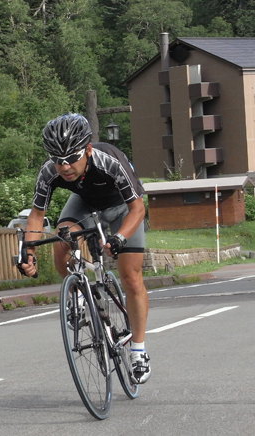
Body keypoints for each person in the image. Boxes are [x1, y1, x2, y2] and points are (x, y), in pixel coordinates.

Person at [19, 113, 151, 384]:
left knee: (131, 278)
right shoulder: (49, 171)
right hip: (86, 205)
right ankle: (76, 294)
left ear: (88, 150)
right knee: (63, 237)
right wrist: (28, 251)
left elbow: (138, 209)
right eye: (58, 160)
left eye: (71, 158)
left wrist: (120, 239)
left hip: (123, 209)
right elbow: (35, 215)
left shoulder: (109, 161)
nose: (64, 167)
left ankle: (138, 349)